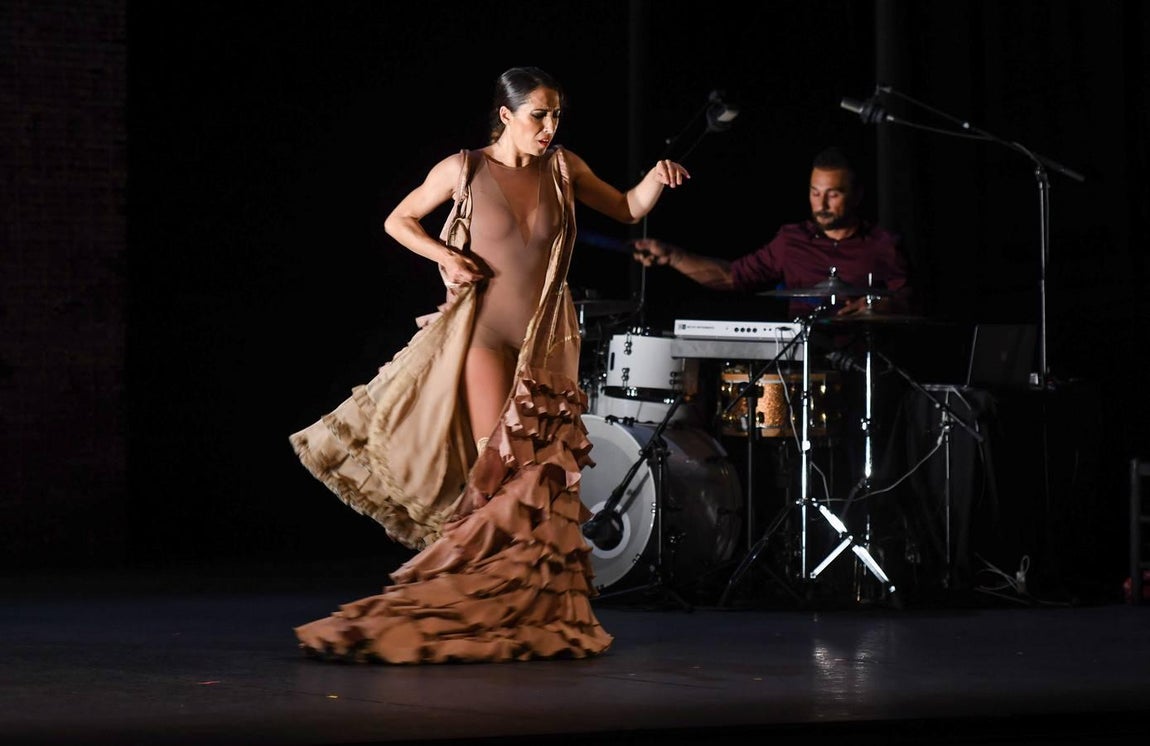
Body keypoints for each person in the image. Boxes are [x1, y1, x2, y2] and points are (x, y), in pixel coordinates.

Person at [288, 66, 690, 664]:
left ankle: (520, 612)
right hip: (481, 337)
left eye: (556, 116)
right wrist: (445, 254)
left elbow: (628, 209)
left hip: (543, 342)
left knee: (545, 481)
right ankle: (459, 603)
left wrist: (654, 179)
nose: (550, 127)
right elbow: (398, 220)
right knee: (504, 471)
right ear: (506, 116)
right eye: (538, 115)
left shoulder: (564, 169)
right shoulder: (465, 169)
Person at [631, 146, 911, 319]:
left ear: (857, 195)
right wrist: (672, 256)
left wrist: (882, 306)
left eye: (833, 194)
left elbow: (911, 299)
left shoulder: (881, 244)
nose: (821, 204)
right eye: (815, 193)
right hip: (803, 365)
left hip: (866, 368)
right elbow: (731, 277)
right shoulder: (792, 240)